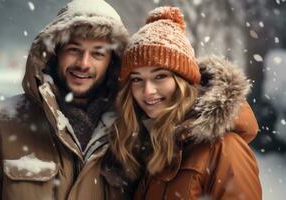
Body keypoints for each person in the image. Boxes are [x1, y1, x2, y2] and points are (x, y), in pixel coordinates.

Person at [0, 0, 130, 199]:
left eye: (97, 54)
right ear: (54, 52)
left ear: (113, 62)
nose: (83, 63)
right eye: (74, 49)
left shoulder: (129, 134)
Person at [108, 6, 262, 199]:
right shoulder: (145, 144)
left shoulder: (223, 149)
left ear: (184, 82)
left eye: (160, 76)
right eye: (137, 79)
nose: (147, 91)